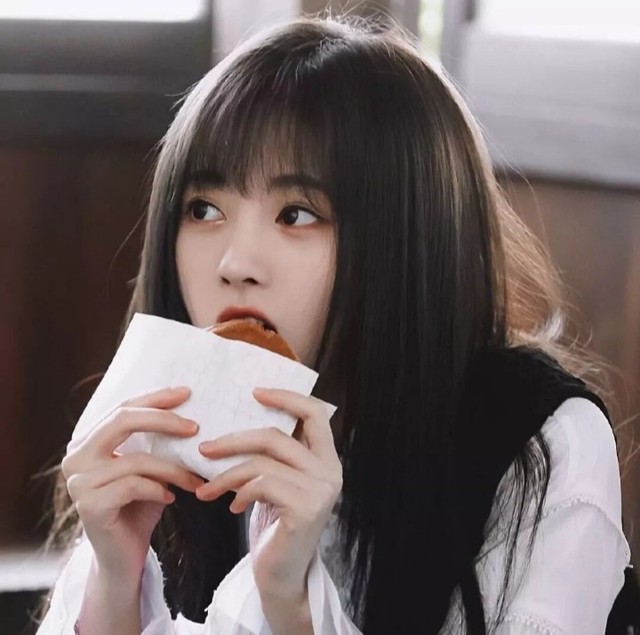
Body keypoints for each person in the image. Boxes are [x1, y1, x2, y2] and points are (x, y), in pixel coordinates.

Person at [34, 13, 637, 635]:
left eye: (296, 214)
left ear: (406, 240)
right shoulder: (163, 433)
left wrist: (290, 601)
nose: (234, 264)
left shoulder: (539, 443)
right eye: (204, 209)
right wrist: (116, 579)